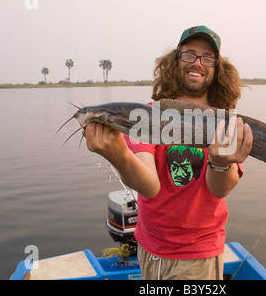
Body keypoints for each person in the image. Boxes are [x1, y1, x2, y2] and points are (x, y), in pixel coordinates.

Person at [83, 25, 253, 280]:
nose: (197, 62)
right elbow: (150, 186)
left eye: (207, 58)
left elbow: (220, 189)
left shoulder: (224, 122)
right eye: (189, 54)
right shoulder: (147, 116)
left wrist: (219, 163)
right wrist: (117, 154)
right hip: (149, 249)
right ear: (175, 61)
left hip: (199, 254)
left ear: (217, 69)